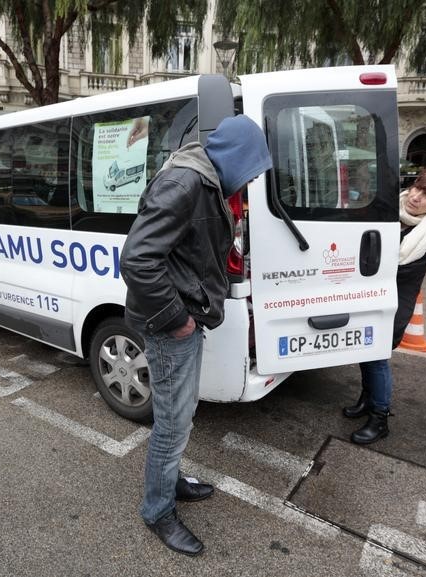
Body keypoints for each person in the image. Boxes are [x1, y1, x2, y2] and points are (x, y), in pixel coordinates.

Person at [120, 115, 272, 556]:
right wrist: (178, 319)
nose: (251, 180)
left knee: (181, 417)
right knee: (172, 422)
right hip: (170, 326)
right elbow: (137, 260)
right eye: (251, 169)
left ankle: (170, 483)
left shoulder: (204, 178)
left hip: (183, 317)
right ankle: (157, 511)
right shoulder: (186, 183)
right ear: (236, 158)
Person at [343, 167, 426, 445]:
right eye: (418, 188)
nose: (416, 197)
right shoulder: (387, 209)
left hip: (394, 302)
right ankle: (365, 399)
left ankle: (379, 417)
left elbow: (395, 271)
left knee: (377, 359)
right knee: (365, 351)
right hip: (367, 295)